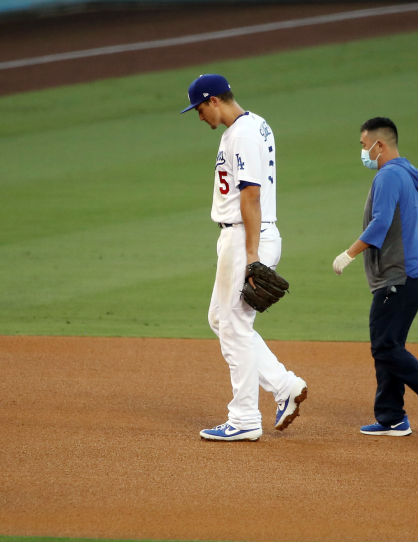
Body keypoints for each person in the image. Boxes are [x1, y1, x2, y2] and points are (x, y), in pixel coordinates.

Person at [180, 74, 307, 441]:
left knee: (234, 325)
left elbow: (250, 195)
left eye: (200, 108)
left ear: (215, 100)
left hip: (246, 236)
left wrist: (252, 257)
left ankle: (245, 418)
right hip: (244, 235)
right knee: (221, 318)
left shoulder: (243, 134)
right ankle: (284, 387)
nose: (199, 116)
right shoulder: (252, 125)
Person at [332, 117, 418, 436]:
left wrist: (348, 254)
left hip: (400, 276)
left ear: (381, 145)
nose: (363, 153)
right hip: (415, 272)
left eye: (365, 146)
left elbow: (380, 224)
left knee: (384, 346)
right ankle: (391, 416)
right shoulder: (409, 173)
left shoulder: (389, 175)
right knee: (390, 343)